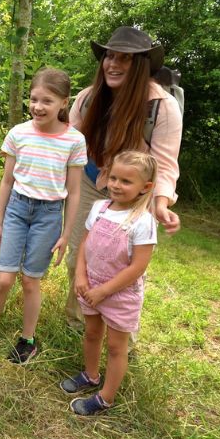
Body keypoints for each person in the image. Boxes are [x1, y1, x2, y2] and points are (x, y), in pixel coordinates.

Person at [64, 26, 183, 334]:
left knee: (122, 263)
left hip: (135, 194)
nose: (112, 65)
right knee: (80, 253)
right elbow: (69, 141)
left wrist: (160, 204)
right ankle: (80, 325)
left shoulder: (161, 107)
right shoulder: (89, 97)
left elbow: (165, 163)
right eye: (109, 56)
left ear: (141, 65)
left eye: (124, 59)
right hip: (92, 182)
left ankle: (119, 332)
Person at [0, 68, 86, 363]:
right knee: (5, 279)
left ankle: (27, 340)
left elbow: (74, 192)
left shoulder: (74, 141)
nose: (37, 106)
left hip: (49, 215)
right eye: (33, 99)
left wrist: (65, 234)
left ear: (64, 102)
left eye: (47, 101)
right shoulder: (18, 133)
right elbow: (7, 181)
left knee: (30, 281)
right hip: (17, 210)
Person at [60, 151, 158, 415]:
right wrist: (81, 276)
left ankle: (106, 397)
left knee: (116, 347)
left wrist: (105, 290)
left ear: (145, 187)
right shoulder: (99, 208)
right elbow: (84, 244)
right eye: (113, 178)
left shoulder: (143, 221)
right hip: (90, 287)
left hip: (118, 294)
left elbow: (138, 266)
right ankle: (90, 375)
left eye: (126, 181)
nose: (116, 185)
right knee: (91, 333)